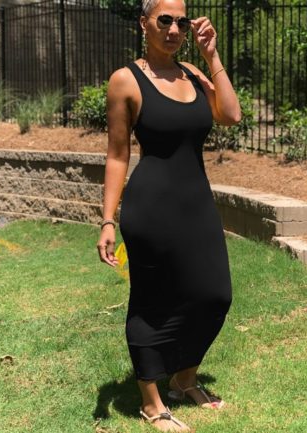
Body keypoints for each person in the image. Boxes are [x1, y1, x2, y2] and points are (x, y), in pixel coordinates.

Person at [97, 0, 241, 431]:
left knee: (215, 294)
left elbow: (231, 115)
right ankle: (151, 402)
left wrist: (212, 56)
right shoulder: (126, 80)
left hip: (196, 204)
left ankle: (183, 379)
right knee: (152, 301)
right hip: (151, 208)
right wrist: (107, 219)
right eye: (165, 20)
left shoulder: (193, 74)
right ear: (144, 23)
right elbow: (117, 155)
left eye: (182, 21)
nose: (175, 29)